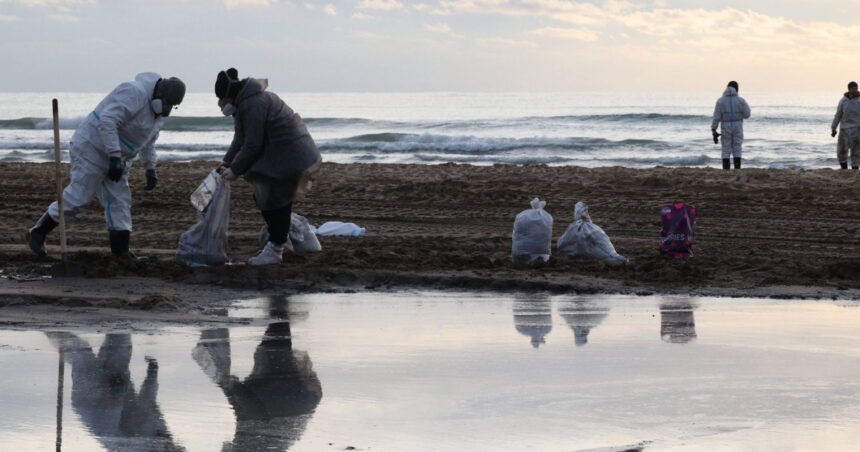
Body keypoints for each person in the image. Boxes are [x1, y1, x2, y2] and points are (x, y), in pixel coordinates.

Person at [26, 72, 185, 259]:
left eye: (171, 105)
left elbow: (148, 142)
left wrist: (150, 167)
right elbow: (107, 120)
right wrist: (114, 155)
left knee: (119, 201)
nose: (166, 108)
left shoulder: (158, 115)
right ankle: (38, 232)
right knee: (79, 196)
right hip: (92, 147)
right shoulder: (134, 92)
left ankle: (121, 251)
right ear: (159, 91)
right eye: (165, 101)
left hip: (118, 158)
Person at [214, 67, 322, 265]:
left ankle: (276, 249)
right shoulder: (246, 103)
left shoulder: (254, 104)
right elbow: (240, 140)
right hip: (286, 156)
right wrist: (226, 163)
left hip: (293, 158)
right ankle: (282, 240)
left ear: (232, 95)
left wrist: (235, 171)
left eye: (225, 100)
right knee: (267, 196)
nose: (224, 105)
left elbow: (253, 144)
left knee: (274, 199)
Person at [711, 81, 751, 170]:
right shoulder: (741, 100)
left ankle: (726, 171)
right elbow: (747, 114)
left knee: (726, 148)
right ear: (736, 89)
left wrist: (713, 129)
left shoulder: (720, 101)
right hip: (738, 126)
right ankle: (737, 169)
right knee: (737, 148)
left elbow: (716, 117)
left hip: (725, 126)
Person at [831, 81, 860, 170]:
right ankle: (844, 169)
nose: (855, 90)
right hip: (844, 129)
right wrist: (833, 128)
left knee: (856, 151)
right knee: (842, 150)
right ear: (849, 89)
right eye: (853, 89)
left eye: (856, 88)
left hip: (857, 129)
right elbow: (838, 115)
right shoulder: (843, 101)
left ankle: (855, 170)